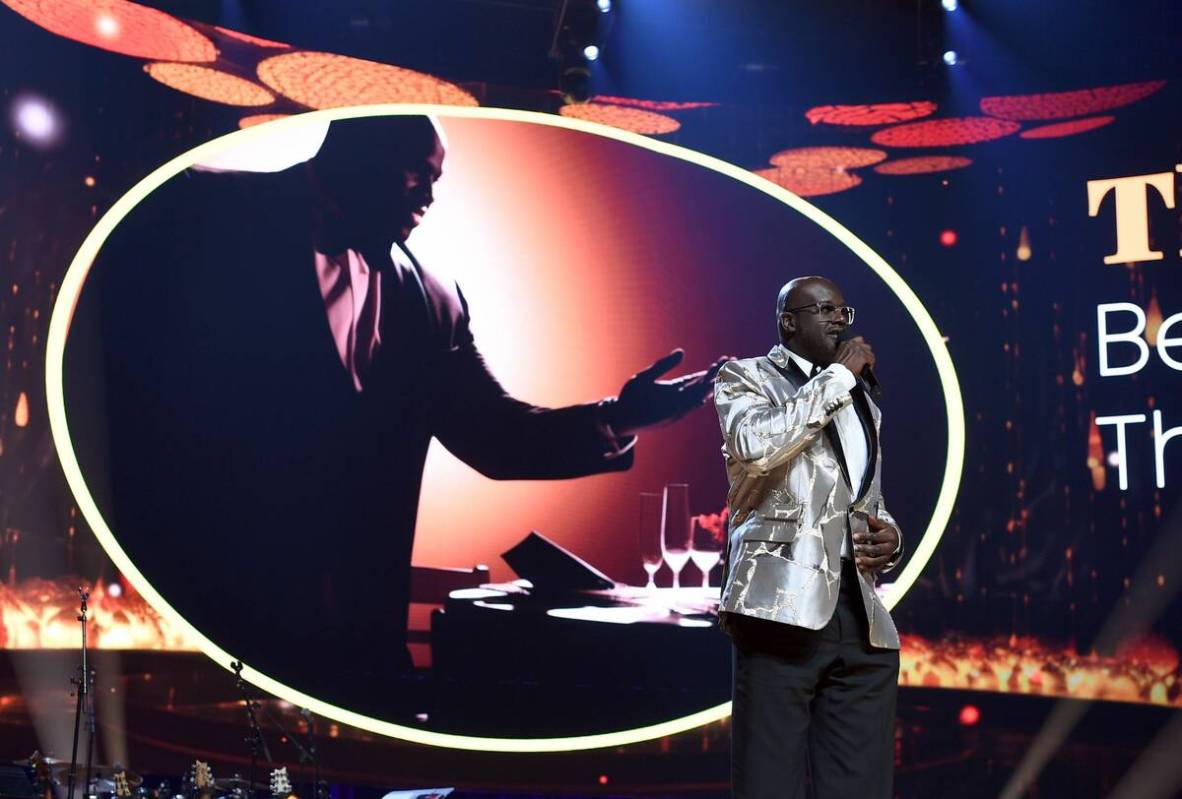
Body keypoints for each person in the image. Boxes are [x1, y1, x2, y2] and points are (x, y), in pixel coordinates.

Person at [79, 115, 724, 714]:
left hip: (359, 656)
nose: (430, 196)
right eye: (417, 172)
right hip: (192, 638)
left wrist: (619, 417)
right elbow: (116, 390)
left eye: (438, 179)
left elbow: (494, 435)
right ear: (351, 148)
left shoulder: (434, 299)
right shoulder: (196, 210)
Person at [713, 276, 903, 798]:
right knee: (769, 783)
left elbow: (865, 497)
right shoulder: (745, 376)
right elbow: (757, 447)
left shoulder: (860, 400)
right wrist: (838, 376)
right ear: (788, 321)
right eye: (824, 309)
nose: (839, 321)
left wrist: (890, 537)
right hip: (779, 608)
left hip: (858, 612)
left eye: (844, 311)